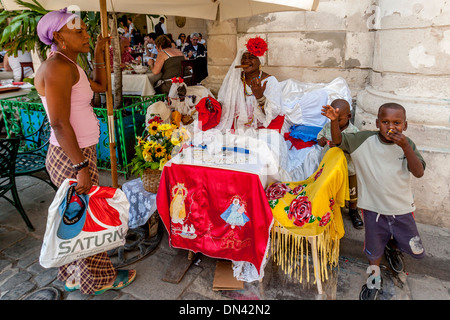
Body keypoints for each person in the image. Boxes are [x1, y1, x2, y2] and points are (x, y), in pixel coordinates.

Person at [35, 8, 136, 295]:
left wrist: (101, 53)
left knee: (76, 220)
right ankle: (101, 279)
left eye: (85, 30)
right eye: (78, 31)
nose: (87, 34)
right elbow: (58, 122)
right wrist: (80, 167)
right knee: (85, 223)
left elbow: (102, 86)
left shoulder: (70, 64)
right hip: (71, 157)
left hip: (80, 154)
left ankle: (73, 275)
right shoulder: (56, 68)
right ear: (58, 37)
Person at [321, 102, 426, 300]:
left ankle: (393, 250)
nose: (391, 127)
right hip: (373, 208)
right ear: (377, 123)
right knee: (373, 247)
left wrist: (404, 146)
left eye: (397, 122)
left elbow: (419, 172)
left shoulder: (407, 144)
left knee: (406, 241)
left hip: (401, 208)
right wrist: (334, 122)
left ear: (405, 125)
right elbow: (338, 141)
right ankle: (374, 280)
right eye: (385, 122)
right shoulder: (363, 140)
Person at [216, 36, 283, 132]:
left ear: (260, 61)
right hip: (237, 127)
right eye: (244, 58)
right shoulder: (235, 79)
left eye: (251, 57)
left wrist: (260, 97)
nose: (246, 61)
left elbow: (272, 115)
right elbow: (224, 102)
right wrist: (214, 105)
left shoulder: (270, 81)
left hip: (262, 129)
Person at [317, 99, 363, 229]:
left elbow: (356, 149)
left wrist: (341, 146)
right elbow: (319, 137)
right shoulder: (328, 126)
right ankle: (328, 209)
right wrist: (321, 140)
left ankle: (353, 211)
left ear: (349, 117)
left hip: (348, 169)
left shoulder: (354, 131)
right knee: (329, 188)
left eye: (339, 120)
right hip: (329, 167)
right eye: (333, 119)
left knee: (352, 191)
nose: (334, 123)